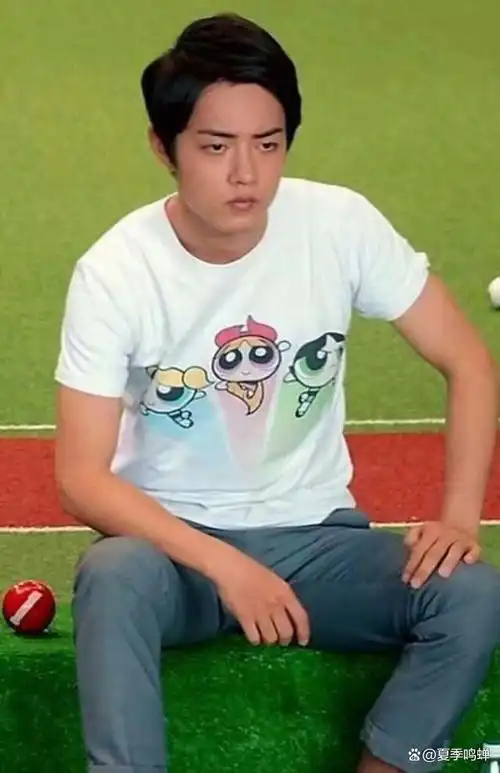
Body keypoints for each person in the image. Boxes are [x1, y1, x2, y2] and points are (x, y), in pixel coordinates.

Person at [53, 12, 500, 773]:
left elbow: (469, 361)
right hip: (173, 552)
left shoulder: (339, 224)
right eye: (215, 146)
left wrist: (459, 516)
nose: (246, 174)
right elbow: (79, 478)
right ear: (163, 147)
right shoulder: (116, 272)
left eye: (268, 144)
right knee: (112, 575)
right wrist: (225, 566)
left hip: (318, 542)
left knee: (472, 593)